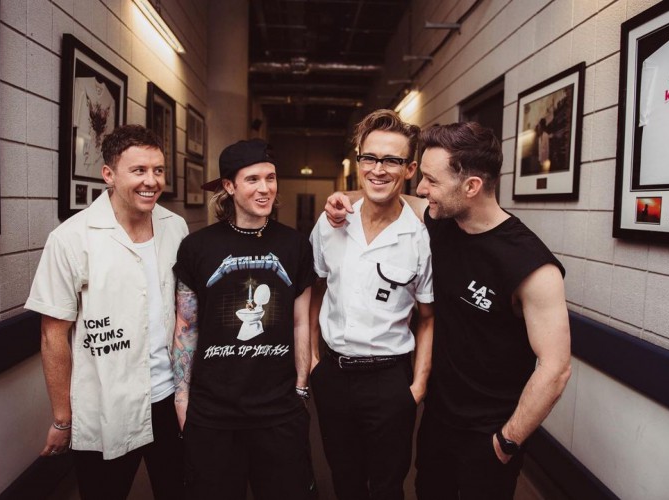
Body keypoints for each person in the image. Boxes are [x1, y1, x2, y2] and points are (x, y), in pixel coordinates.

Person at [325, 121, 572, 499]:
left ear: (471, 186)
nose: (422, 189)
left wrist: (507, 441)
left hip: (489, 433)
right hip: (437, 422)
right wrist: (339, 198)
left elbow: (556, 368)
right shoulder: (440, 221)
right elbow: (386, 195)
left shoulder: (531, 266)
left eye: (431, 180)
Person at [25, 124, 188, 499]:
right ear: (109, 174)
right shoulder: (71, 238)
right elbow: (53, 334)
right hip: (106, 405)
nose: (151, 181)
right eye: (139, 170)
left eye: (158, 170)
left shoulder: (175, 227)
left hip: (170, 399)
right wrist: (62, 419)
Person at [172, 138, 316, 500]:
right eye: (252, 179)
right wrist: (182, 399)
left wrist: (300, 388)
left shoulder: (295, 245)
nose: (265, 188)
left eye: (270, 178)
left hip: (279, 409)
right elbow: (186, 327)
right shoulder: (197, 247)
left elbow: (301, 322)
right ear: (229, 186)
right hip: (213, 411)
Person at [308, 109, 434, 500]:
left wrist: (418, 386)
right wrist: (312, 361)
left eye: (392, 160)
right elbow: (315, 290)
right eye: (370, 158)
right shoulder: (330, 223)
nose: (378, 170)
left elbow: (428, 317)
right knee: (344, 480)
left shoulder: (420, 237)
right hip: (333, 376)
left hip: (389, 380)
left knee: (387, 486)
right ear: (359, 162)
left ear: (409, 169)